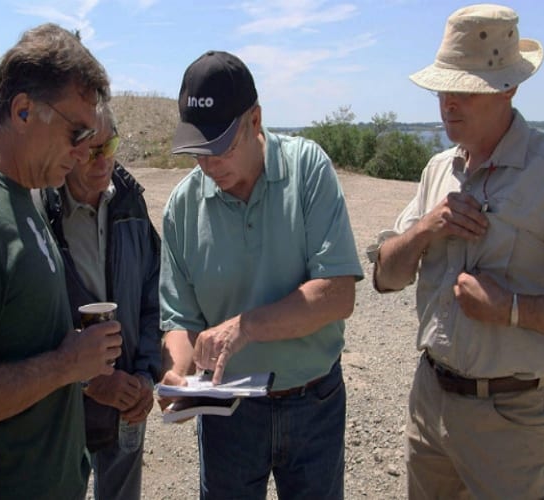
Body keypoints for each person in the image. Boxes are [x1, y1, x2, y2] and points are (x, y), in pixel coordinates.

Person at [370, 4, 544, 499]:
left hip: (509, 420)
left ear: (509, 88)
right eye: (444, 87)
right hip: (429, 401)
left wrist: (511, 309)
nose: (448, 103)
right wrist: (423, 230)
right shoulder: (437, 170)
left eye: (465, 89)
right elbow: (384, 277)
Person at [0, 24, 123, 499]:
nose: (81, 154)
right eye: (77, 132)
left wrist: (71, 359)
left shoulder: (22, 200)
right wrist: (64, 365)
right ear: (22, 111)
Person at [158, 50, 364, 499]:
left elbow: (336, 294)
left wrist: (245, 327)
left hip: (314, 405)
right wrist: (176, 372)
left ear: (256, 121)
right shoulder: (182, 208)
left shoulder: (308, 169)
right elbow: (180, 318)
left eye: (222, 147)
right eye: (199, 153)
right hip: (226, 414)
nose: (210, 166)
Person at [38, 101, 161, 500]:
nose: (105, 160)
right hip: (62, 409)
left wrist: (145, 377)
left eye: (112, 146)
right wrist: (89, 381)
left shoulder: (130, 201)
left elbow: (153, 295)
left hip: (127, 400)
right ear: (67, 150)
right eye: (94, 150)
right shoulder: (39, 213)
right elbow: (31, 321)